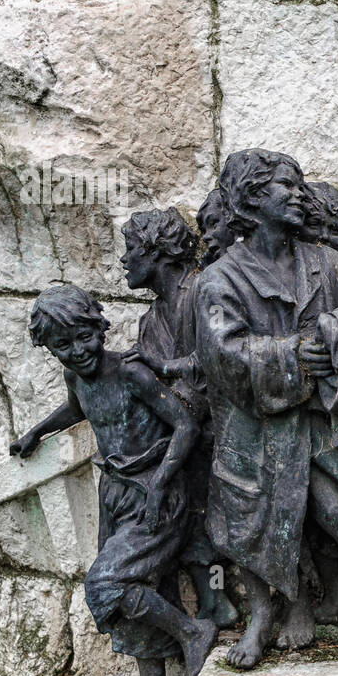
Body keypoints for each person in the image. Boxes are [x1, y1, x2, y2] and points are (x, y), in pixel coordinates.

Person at [195, 148, 338, 670]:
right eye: (288, 186)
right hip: (256, 431)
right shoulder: (219, 280)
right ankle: (261, 615)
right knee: (249, 524)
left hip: (320, 425)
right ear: (254, 200)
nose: (301, 195)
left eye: (301, 186)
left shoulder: (324, 262)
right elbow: (224, 357)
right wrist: (296, 354)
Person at [10, 285, 217, 676]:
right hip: (117, 494)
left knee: (105, 585)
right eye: (62, 346)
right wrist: (37, 432)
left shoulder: (130, 373)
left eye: (83, 337)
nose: (77, 351)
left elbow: (184, 426)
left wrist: (161, 482)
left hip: (156, 493)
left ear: (99, 328)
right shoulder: (75, 377)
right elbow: (78, 409)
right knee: (142, 586)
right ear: (49, 348)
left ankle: (193, 631)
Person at [119, 207, 238, 630]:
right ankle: (213, 601)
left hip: (220, 428)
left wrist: (165, 371)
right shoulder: (151, 319)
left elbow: (224, 355)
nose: (124, 259)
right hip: (183, 432)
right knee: (188, 518)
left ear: (158, 252)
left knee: (213, 518)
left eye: (131, 249)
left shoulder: (205, 290)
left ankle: (226, 600)